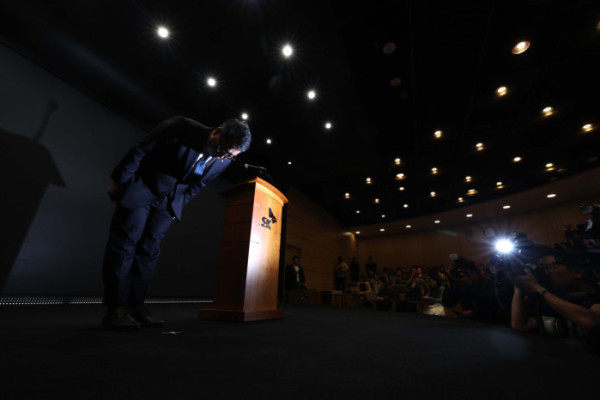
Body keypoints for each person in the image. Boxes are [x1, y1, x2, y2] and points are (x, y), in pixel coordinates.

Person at [101, 116, 251, 330]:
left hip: (166, 205)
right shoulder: (181, 127)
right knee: (124, 245)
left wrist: (175, 208)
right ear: (217, 132)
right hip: (142, 188)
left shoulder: (224, 160)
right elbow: (141, 148)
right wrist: (119, 181)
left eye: (230, 156)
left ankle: (136, 306)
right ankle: (115, 309)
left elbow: (198, 185)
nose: (223, 157)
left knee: (149, 253)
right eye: (223, 150)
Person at [510, 250, 600, 342]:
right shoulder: (555, 299)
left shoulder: (596, 295)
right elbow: (520, 325)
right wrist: (519, 285)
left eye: (549, 267)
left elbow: (591, 321)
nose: (546, 274)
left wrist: (537, 288)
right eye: (542, 269)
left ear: (577, 272)